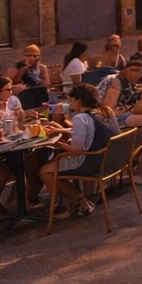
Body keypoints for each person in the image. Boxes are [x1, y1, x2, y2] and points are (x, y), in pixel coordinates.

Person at [38, 84, 117, 219]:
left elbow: (76, 151)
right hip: (109, 159)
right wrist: (60, 131)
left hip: (91, 161)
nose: (70, 103)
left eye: (71, 100)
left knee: (45, 171)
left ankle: (76, 203)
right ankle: (74, 201)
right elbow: (86, 130)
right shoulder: (104, 111)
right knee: (56, 164)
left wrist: (55, 143)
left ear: (78, 100)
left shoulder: (80, 118)